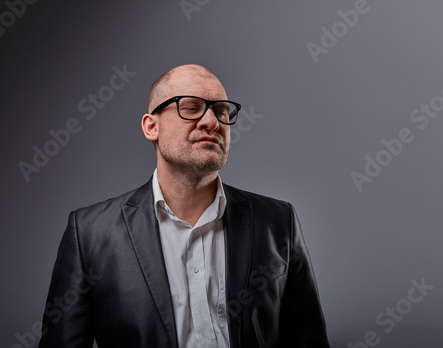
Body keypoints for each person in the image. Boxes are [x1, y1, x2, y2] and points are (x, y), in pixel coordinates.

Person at [39, 64, 330, 348]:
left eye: (221, 110)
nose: (212, 122)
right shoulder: (91, 233)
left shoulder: (278, 222)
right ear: (151, 126)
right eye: (191, 107)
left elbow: (308, 340)